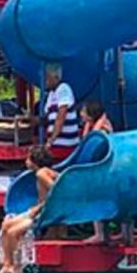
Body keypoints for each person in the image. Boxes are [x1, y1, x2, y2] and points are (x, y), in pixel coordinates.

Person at [0, 146, 58, 273]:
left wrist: (40, 207)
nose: (26, 161)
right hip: (36, 210)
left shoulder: (42, 173)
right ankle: (7, 264)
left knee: (13, 232)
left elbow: (56, 192)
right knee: (5, 225)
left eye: (28, 158)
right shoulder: (44, 171)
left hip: (42, 213)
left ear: (34, 160)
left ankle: (16, 269)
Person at [80, 101, 116, 244]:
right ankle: (103, 232)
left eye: (83, 111)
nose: (81, 114)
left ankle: (100, 234)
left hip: (102, 168)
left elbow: (93, 143)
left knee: (96, 198)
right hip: (101, 168)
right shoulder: (96, 126)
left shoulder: (102, 129)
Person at [43, 64, 79, 156]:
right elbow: (46, 118)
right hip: (55, 145)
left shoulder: (63, 89)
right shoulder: (51, 94)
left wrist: (51, 140)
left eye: (47, 78)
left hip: (65, 146)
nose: (45, 81)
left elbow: (61, 117)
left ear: (56, 78)